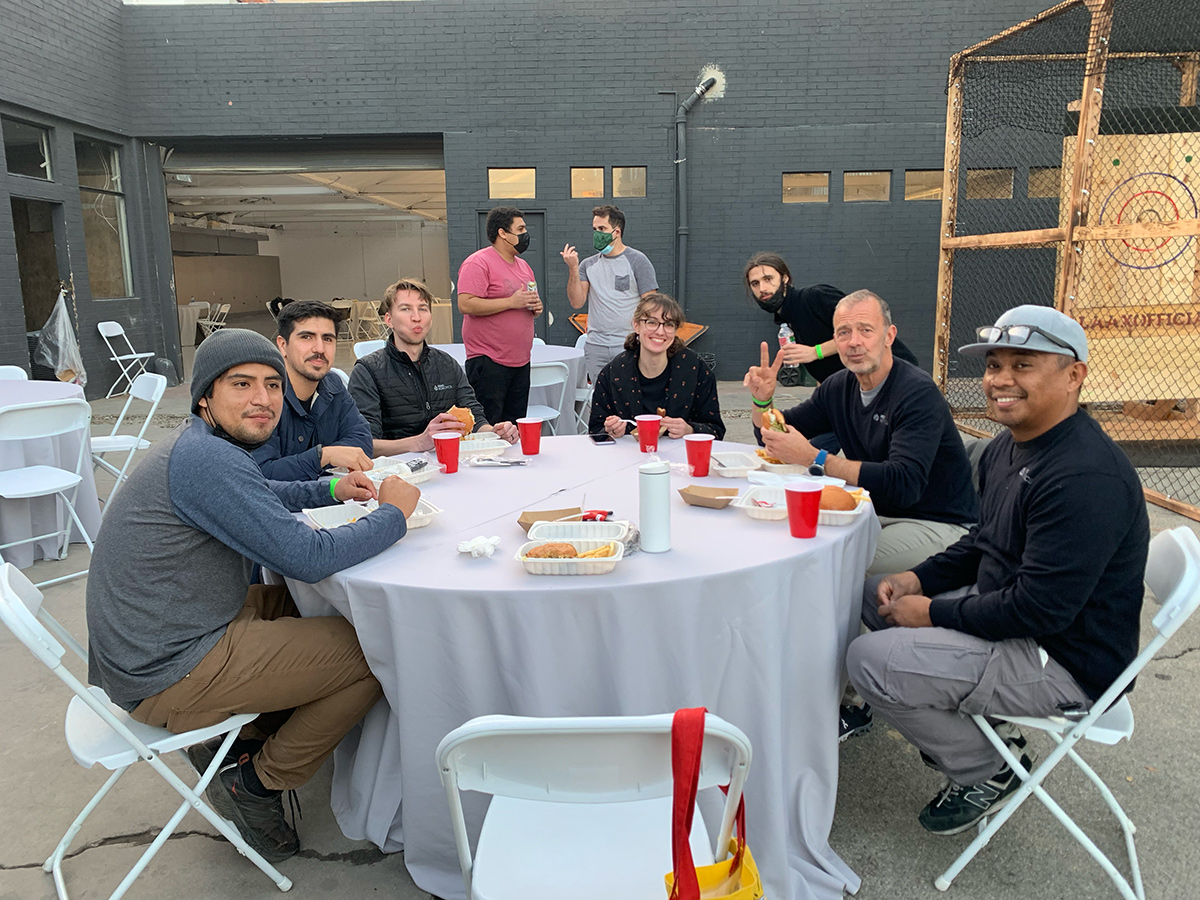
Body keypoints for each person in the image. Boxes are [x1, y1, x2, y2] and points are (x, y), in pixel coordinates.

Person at [85, 328, 423, 864]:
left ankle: (244, 737)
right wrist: (393, 516)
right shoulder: (206, 459)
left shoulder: (203, 446)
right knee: (371, 655)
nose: (262, 399)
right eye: (241, 384)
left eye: (270, 385)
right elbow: (307, 558)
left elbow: (259, 492)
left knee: (309, 606)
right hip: (166, 666)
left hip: (161, 634)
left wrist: (329, 488)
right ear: (204, 397)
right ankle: (256, 784)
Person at [846, 305, 1149, 835]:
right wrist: (920, 580)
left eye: (1023, 364)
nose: (999, 380)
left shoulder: (1085, 475)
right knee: (874, 595)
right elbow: (984, 541)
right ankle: (975, 722)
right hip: (1020, 618)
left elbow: (1039, 609)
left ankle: (987, 771)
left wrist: (933, 612)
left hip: (1066, 664)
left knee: (868, 660)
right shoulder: (1011, 446)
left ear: (1074, 374)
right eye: (993, 365)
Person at [744, 289, 976, 576]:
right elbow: (773, 437)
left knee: (824, 562)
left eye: (865, 330)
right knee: (785, 542)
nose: (854, 342)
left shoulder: (917, 392)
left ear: (889, 336)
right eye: (843, 332)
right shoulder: (838, 387)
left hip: (937, 523)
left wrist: (816, 459)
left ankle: (849, 622)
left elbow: (904, 484)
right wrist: (763, 400)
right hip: (872, 513)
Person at [349, 278, 518, 454]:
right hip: (397, 471)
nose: (417, 317)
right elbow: (365, 444)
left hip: (451, 464)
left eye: (423, 309)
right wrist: (419, 442)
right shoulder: (367, 371)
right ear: (389, 320)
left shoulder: (446, 364)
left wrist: (495, 433)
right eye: (406, 309)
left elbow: (475, 418)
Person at [744, 252, 920, 383]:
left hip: (896, 378)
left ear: (785, 279)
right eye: (755, 283)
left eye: (768, 279)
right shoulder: (787, 319)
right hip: (857, 393)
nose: (762, 288)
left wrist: (815, 352)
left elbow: (860, 332)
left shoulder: (814, 297)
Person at [251, 299, 374, 480]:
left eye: (327, 338)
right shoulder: (262, 397)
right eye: (306, 337)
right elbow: (261, 473)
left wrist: (313, 463)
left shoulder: (334, 385)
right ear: (282, 345)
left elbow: (362, 441)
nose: (319, 348)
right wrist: (323, 457)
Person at [589, 292, 725, 440]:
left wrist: (691, 429)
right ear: (637, 325)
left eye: (668, 324)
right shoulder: (612, 373)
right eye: (652, 322)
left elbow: (716, 431)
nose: (660, 331)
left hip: (681, 459)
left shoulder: (696, 370)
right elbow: (595, 431)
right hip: (628, 457)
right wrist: (610, 432)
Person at [456, 206, 543, 424]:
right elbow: (465, 304)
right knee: (489, 426)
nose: (525, 234)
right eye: (520, 228)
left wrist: (535, 307)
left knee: (514, 427)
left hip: (520, 361)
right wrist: (511, 302)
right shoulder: (478, 262)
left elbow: (527, 300)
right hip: (489, 361)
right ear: (503, 233)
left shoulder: (524, 266)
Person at [561, 205, 659, 382]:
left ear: (617, 232)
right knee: (602, 398)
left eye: (602, 229)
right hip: (595, 345)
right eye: (595, 229)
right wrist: (573, 269)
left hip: (628, 344)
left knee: (630, 398)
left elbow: (651, 306)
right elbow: (576, 302)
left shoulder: (637, 261)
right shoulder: (587, 265)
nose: (597, 233)